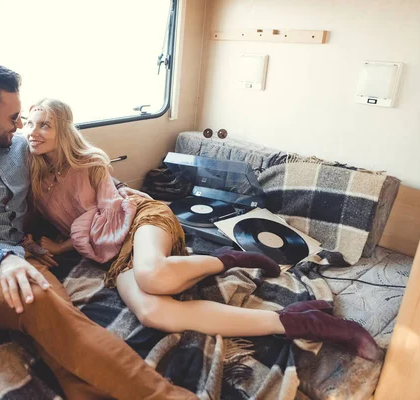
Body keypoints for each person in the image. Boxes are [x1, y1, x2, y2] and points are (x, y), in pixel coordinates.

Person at [0, 65, 198, 400]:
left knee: (61, 325)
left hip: (19, 257)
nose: (21, 127)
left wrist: (125, 198)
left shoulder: (19, 150)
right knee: (40, 302)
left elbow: (75, 163)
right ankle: (164, 395)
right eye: (15, 117)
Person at [24, 98, 381, 362]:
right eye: (29, 123)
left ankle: (227, 259)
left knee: (152, 275)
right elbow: (65, 228)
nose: (33, 132)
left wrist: (63, 246)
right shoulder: (34, 177)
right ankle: (302, 323)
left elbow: (112, 213)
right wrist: (41, 243)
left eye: (44, 125)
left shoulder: (91, 163)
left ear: (63, 131)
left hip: (138, 220)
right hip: (111, 256)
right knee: (153, 313)